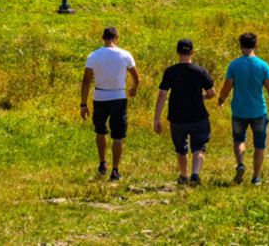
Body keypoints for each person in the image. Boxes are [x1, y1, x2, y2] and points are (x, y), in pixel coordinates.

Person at [218, 32, 269, 185]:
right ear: (256, 46)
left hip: (239, 111)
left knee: (238, 140)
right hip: (258, 112)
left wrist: (221, 99)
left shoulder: (234, 65)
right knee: (259, 145)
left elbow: (227, 87)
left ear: (240, 46)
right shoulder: (263, 66)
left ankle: (241, 164)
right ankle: (256, 177)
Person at [80, 26, 140, 182]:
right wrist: (133, 89)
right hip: (118, 96)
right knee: (118, 135)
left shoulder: (93, 56)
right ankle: (115, 170)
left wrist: (83, 104)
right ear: (117, 37)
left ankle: (102, 163)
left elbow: (86, 81)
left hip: (100, 96)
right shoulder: (125, 55)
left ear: (102, 37)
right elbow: (136, 77)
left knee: (101, 131)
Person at [153, 38, 215, 186]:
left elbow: (162, 95)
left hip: (177, 117)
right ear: (192, 52)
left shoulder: (170, 72)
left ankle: (183, 175)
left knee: (181, 148)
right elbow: (212, 92)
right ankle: (195, 174)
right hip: (198, 116)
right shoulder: (200, 71)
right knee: (199, 146)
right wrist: (204, 96)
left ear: (177, 52)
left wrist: (157, 118)